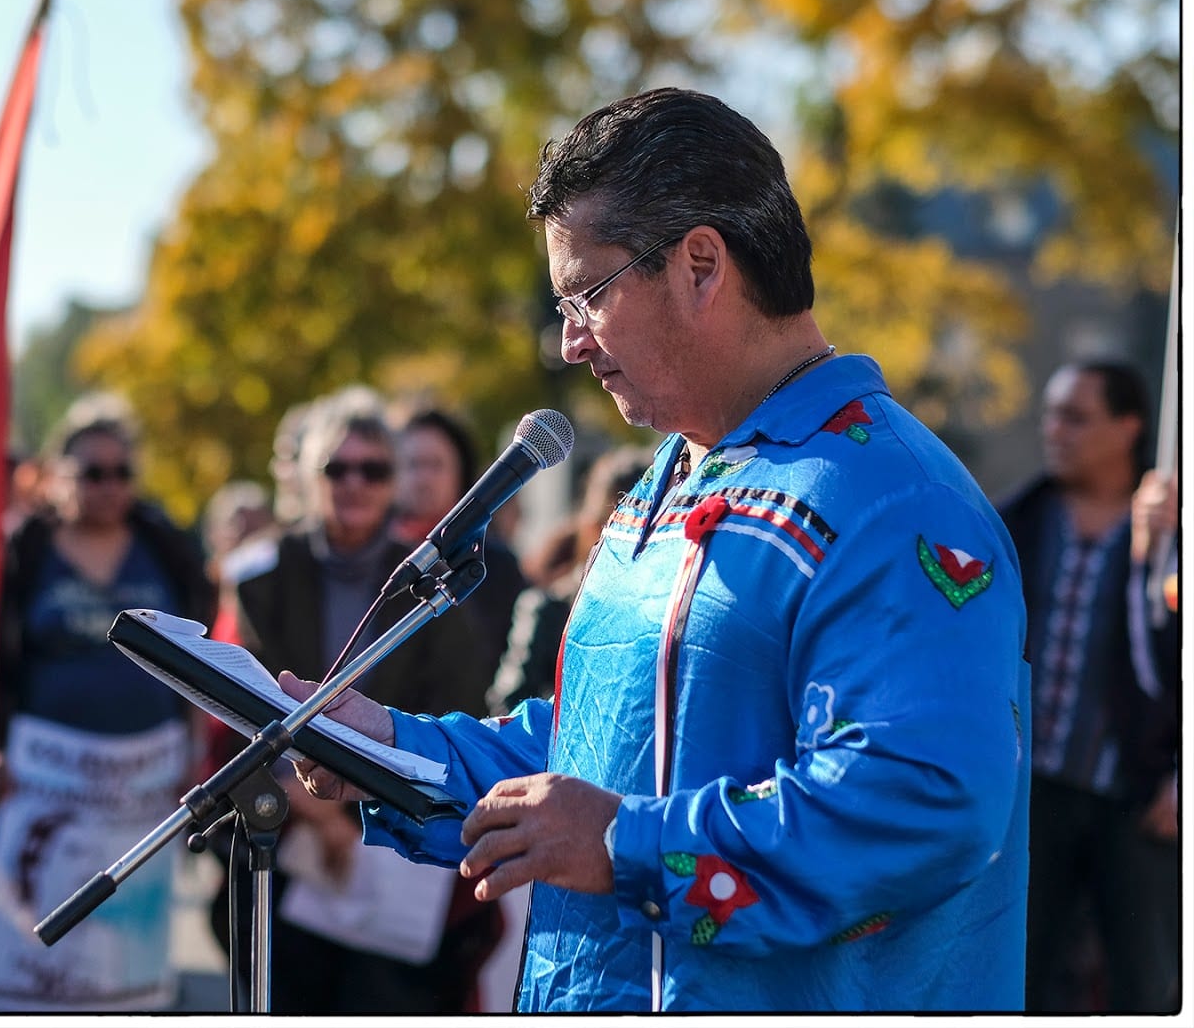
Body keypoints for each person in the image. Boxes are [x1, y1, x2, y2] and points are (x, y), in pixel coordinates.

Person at [279, 87, 1031, 1012]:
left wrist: (626, 847)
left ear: (702, 264)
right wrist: (391, 749)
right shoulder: (667, 482)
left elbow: (924, 799)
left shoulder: (894, 502)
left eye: (586, 294)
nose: (567, 343)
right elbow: (596, 753)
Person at [213, 389, 500, 1014]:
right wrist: (318, 818)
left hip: (391, 839)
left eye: (372, 469)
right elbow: (240, 705)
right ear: (307, 477)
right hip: (282, 831)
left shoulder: (431, 583)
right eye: (336, 468)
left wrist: (354, 820)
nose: (354, 483)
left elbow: (454, 707)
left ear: (393, 481)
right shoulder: (260, 575)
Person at [0, 393, 215, 1012]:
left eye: (121, 472)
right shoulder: (24, 554)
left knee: (125, 940)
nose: (108, 486)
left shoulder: (165, 547)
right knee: (31, 928)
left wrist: (192, 742)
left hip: (144, 784)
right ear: (57, 476)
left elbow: (201, 657)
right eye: (91, 472)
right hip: (40, 779)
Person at [998, 360, 1179, 1014]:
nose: (1055, 430)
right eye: (1051, 413)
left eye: (1076, 416)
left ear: (1129, 427)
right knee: (1016, 977)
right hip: (1030, 795)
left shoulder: (1169, 536)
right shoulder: (1016, 522)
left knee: (1146, 985)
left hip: (1135, 800)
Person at [486, 444, 653, 716]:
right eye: (622, 528)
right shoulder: (549, 608)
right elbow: (506, 706)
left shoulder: (663, 615)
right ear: (591, 528)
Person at [391, 406, 529, 676]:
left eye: (435, 465)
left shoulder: (494, 563)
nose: (423, 479)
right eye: (413, 464)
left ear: (461, 472)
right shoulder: (375, 555)